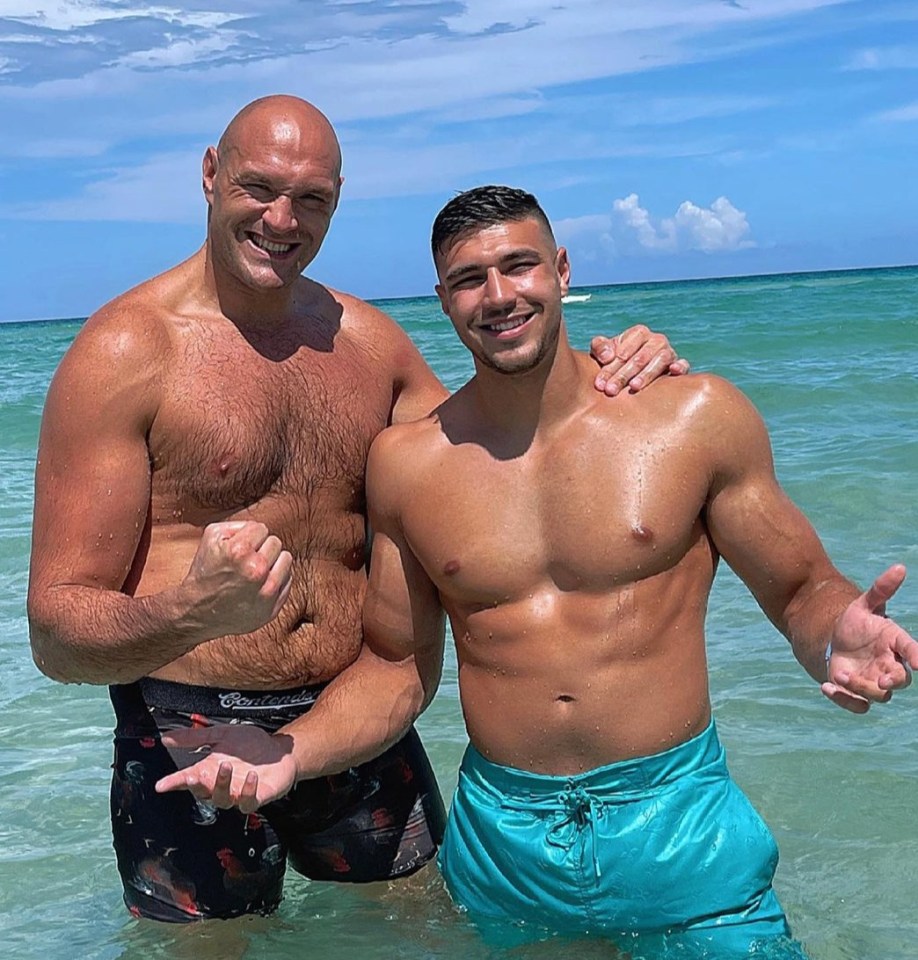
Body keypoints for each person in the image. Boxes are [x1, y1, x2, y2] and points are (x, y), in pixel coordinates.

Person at [158, 185, 917, 955]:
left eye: (518, 266)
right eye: (467, 279)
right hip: (503, 849)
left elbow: (798, 588)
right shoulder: (409, 465)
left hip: (679, 830)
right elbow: (395, 668)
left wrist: (836, 634)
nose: (497, 296)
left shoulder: (694, 418)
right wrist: (289, 751)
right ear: (443, 301)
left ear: (560, 270)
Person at [26, 97, 685, 924]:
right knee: (205, 951)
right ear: (208, 175)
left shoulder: (370, 345)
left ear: (337, 201)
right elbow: (57, 634)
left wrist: (622, 376)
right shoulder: (127, 351)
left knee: (423, 930)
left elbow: (500, 456)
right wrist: (192, 610)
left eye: (311, 200)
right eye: (258, 188)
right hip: (190, 736)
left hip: (357, 719)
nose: (281, 219)